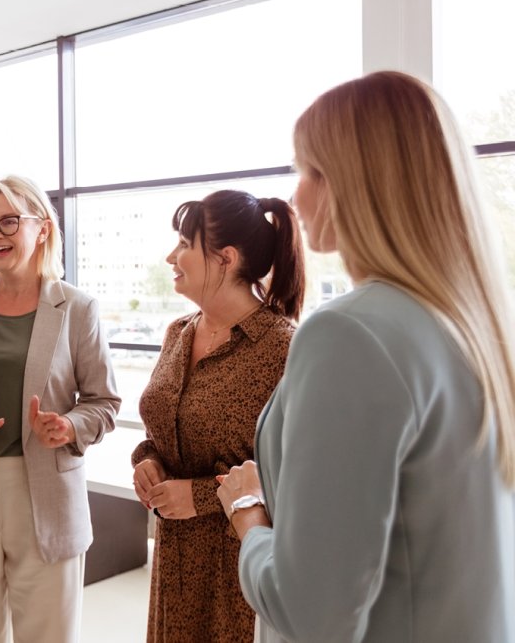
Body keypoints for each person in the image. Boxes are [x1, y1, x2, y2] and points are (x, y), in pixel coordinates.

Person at [217, 71, 515, 642]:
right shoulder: (475, 325)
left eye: (312, 172)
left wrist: (249, 517)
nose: (296, 197)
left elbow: (314, 612)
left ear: (365, 183)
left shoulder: (348, 335)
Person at [0, 175, 120, 643]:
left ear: (43, 228)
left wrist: (68, 426)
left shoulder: (77, 308)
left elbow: (104, 402)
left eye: (8, 221)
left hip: (46, 494)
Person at [130, 189, 304, 642]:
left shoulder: (284, 348)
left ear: (225, 258)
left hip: (239, 563)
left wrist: (202, 497)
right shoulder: (178, 333)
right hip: (174, 560)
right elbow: (160, 429)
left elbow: (299, 474)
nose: (172, 256)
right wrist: (146, 460)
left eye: (185, 244)